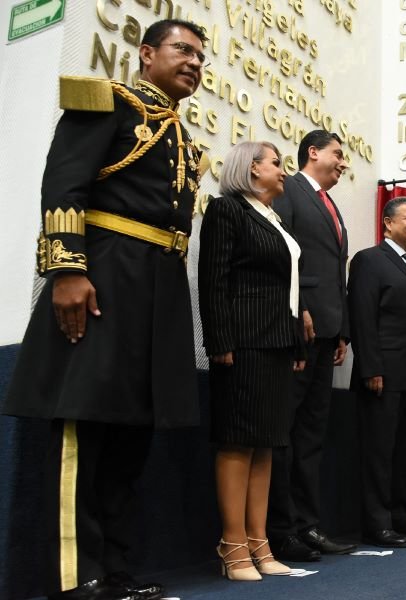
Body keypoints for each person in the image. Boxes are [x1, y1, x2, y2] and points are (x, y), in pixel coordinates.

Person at [2, 19, 206, 600]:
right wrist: (67, 270)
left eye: (200, 57)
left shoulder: (182, 137)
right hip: (106, 275)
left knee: (130, 433)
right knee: (85, 423)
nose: (194, 62)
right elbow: (64, 184)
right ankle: (76, 576)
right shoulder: (107, 101)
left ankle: (113, 567)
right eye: (182, 50)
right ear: (146, 53)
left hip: (158, 289)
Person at [198, 141, 308, 581]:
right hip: (243, 342)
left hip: (277, 342)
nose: (283, 171)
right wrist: (219, 340)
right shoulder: (228, 210)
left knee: (266, 444)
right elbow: (213, 278)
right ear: (250, 168)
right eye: (275, 163)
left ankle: (259, 543)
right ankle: (232, 544)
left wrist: (296, 344)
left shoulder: (275, 219)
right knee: (238, 440)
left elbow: (291, 290)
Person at [267, 130, 355, 560]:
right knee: (285, 432)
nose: (343, 162)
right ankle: (281, 530)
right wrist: (298, 307)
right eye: (337, 154)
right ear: (313, 152)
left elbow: (337, 275)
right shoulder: (290, 191)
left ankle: (308, 526)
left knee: (312, 435)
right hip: (299, 330)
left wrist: (343, 331)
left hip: (327, 332)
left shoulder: (331, 205)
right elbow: (283, 253)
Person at [347, 197, 406, 548]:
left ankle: (401, 515)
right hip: (382, 375)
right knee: (379, 452)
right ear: (387, 223)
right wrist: (371, 367)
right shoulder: (370, 260)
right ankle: (377, 523)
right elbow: (362, 317)